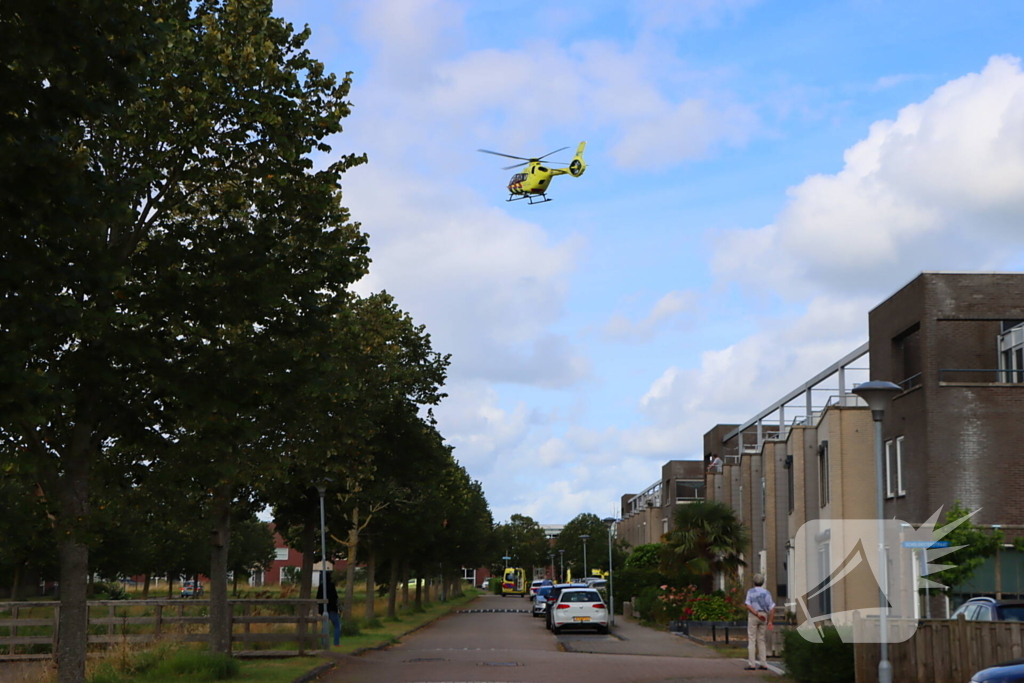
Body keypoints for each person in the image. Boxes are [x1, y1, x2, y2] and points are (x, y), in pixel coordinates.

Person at [744, 573, 775, 671]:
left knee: (752, 639)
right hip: (764, 615)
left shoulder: (750, 592)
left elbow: (748, 605)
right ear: (763, 582)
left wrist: (756, 613)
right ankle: (763, 663)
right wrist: (770, 621)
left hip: (754, 615)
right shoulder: (767, 593)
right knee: (761, 639)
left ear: (753, 582)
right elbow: (772, 607)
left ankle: (752, 664)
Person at [316, 571, 341, 646]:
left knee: (324, 627)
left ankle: (323, 643)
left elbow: (318, 598)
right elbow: (335, 597)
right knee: (337, 625)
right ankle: (336, 643)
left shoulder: (321, 586)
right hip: (332, 609)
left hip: (323, 609)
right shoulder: (332, 585)